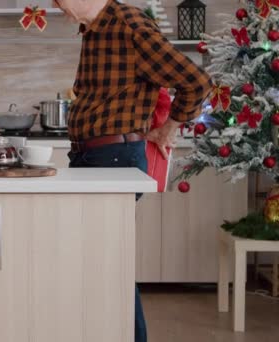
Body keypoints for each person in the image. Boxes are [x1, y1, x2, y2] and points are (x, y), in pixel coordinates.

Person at [52, 0, 213, 341]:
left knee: (108, 262)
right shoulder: (94, 30)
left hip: (113, 158)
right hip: (94, 158)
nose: (56, 6)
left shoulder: (128, 24)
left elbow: (195, 80)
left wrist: (169, 128)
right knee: (96, 260)